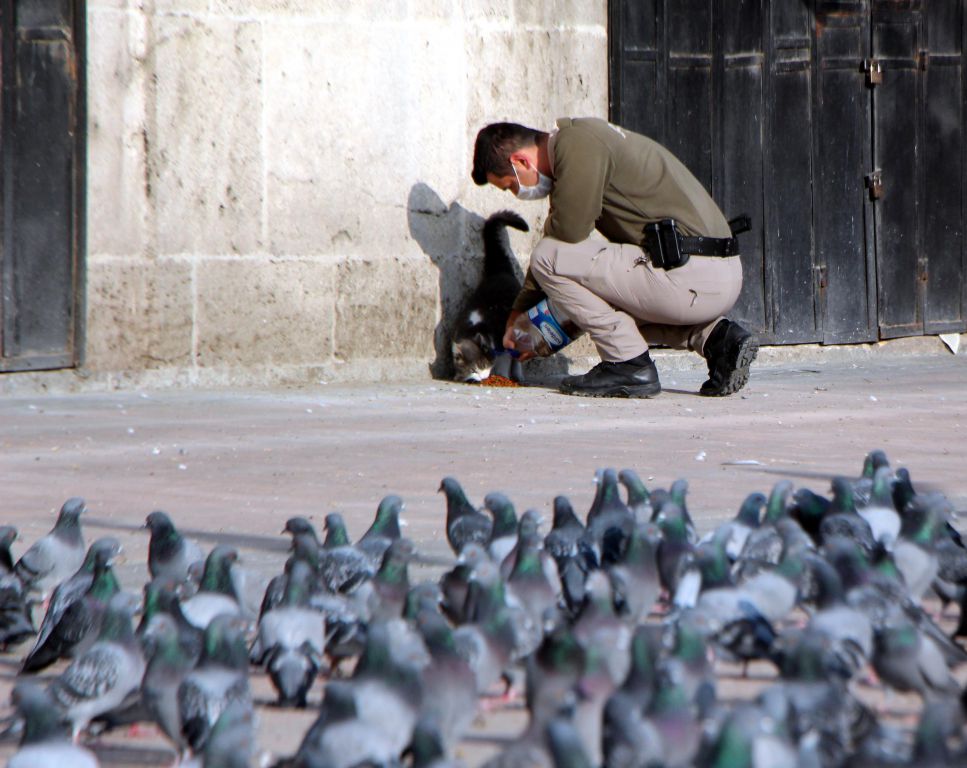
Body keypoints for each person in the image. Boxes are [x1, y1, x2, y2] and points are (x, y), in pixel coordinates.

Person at [470, 117, 758, 398]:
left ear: (521, 162)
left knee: (548, 256)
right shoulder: (584, 141)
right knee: (597, 296)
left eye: (509, 185)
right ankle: (718, 340)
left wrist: (520, 314)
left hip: (690, 274)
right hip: (713, 274)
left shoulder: (576, 144)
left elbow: (564, 237)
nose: (516, 192)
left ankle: (628, 365)